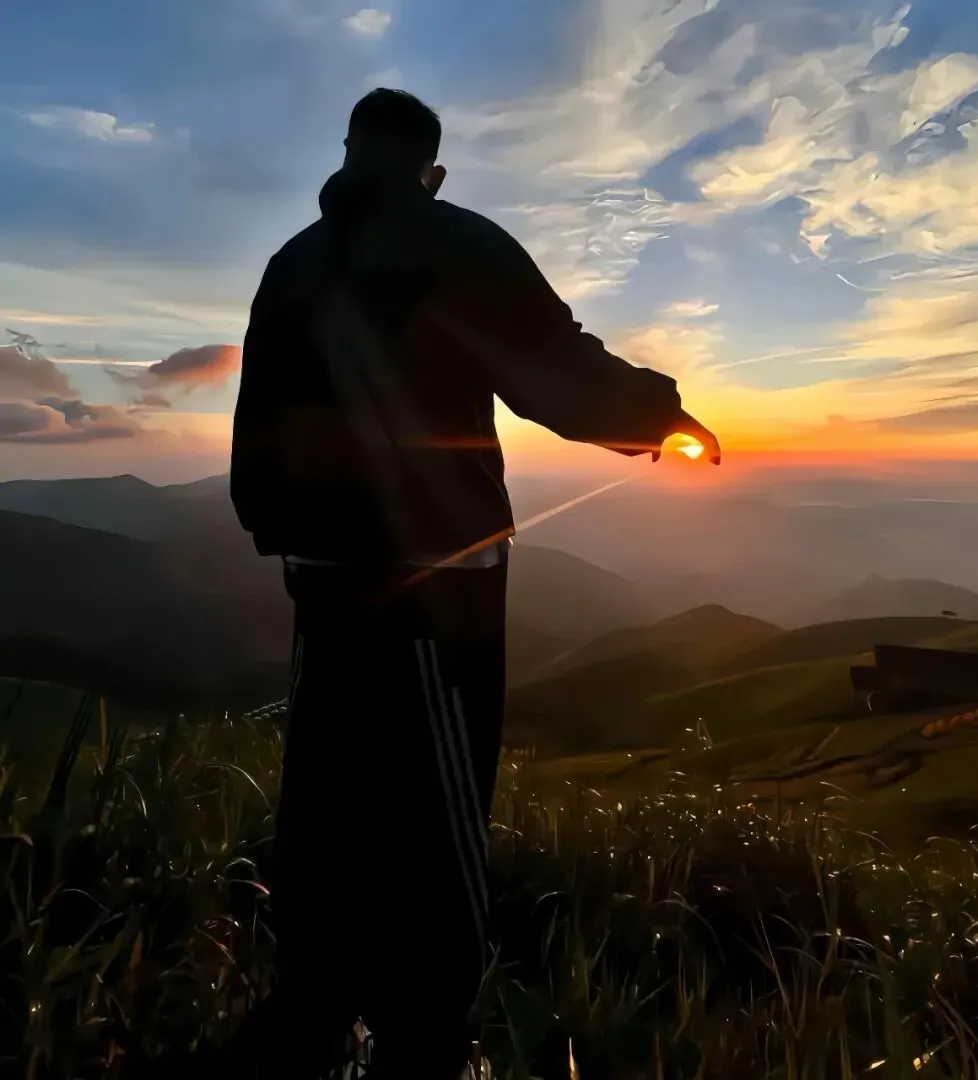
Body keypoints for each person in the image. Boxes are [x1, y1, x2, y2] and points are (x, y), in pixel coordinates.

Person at [229, 88, 721, 1080]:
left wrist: (277, 527)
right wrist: (659, 413)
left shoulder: (292, 263)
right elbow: (553, 371)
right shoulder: (456, 241)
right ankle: (424, 1043)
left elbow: (258, 419)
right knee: (437, 807)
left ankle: (311, 1013)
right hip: (437, 580)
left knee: (325, 794)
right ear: (431, 168)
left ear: (348, 153)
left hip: (321, 578)